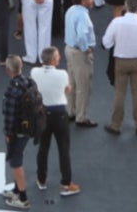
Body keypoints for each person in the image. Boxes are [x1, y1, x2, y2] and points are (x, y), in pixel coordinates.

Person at [103, 0, 137, 135]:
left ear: (125, 6)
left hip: (120, 61)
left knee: (119, 92)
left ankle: (116, 124)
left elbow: (106, 42)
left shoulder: (117, 22)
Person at [32, 46, 80, 196]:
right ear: (53, 60)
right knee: (63, 149)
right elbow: (67, 90)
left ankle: (41, 180)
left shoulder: (34, 72)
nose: (59, 58)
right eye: (58, 56)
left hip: (42, 114)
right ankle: (66, 184)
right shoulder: (62, 74)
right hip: (59, 114)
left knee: (43, 148)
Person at [63, 0, 97, 128]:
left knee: (72, 82)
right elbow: (82, 34)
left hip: (69, 49)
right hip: (79, 53)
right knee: (83, 86)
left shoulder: (71, 10)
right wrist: (86, 48)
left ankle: (70, 111)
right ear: (83, 1)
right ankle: (81, 117)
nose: (92, 0)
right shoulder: (83, 15)